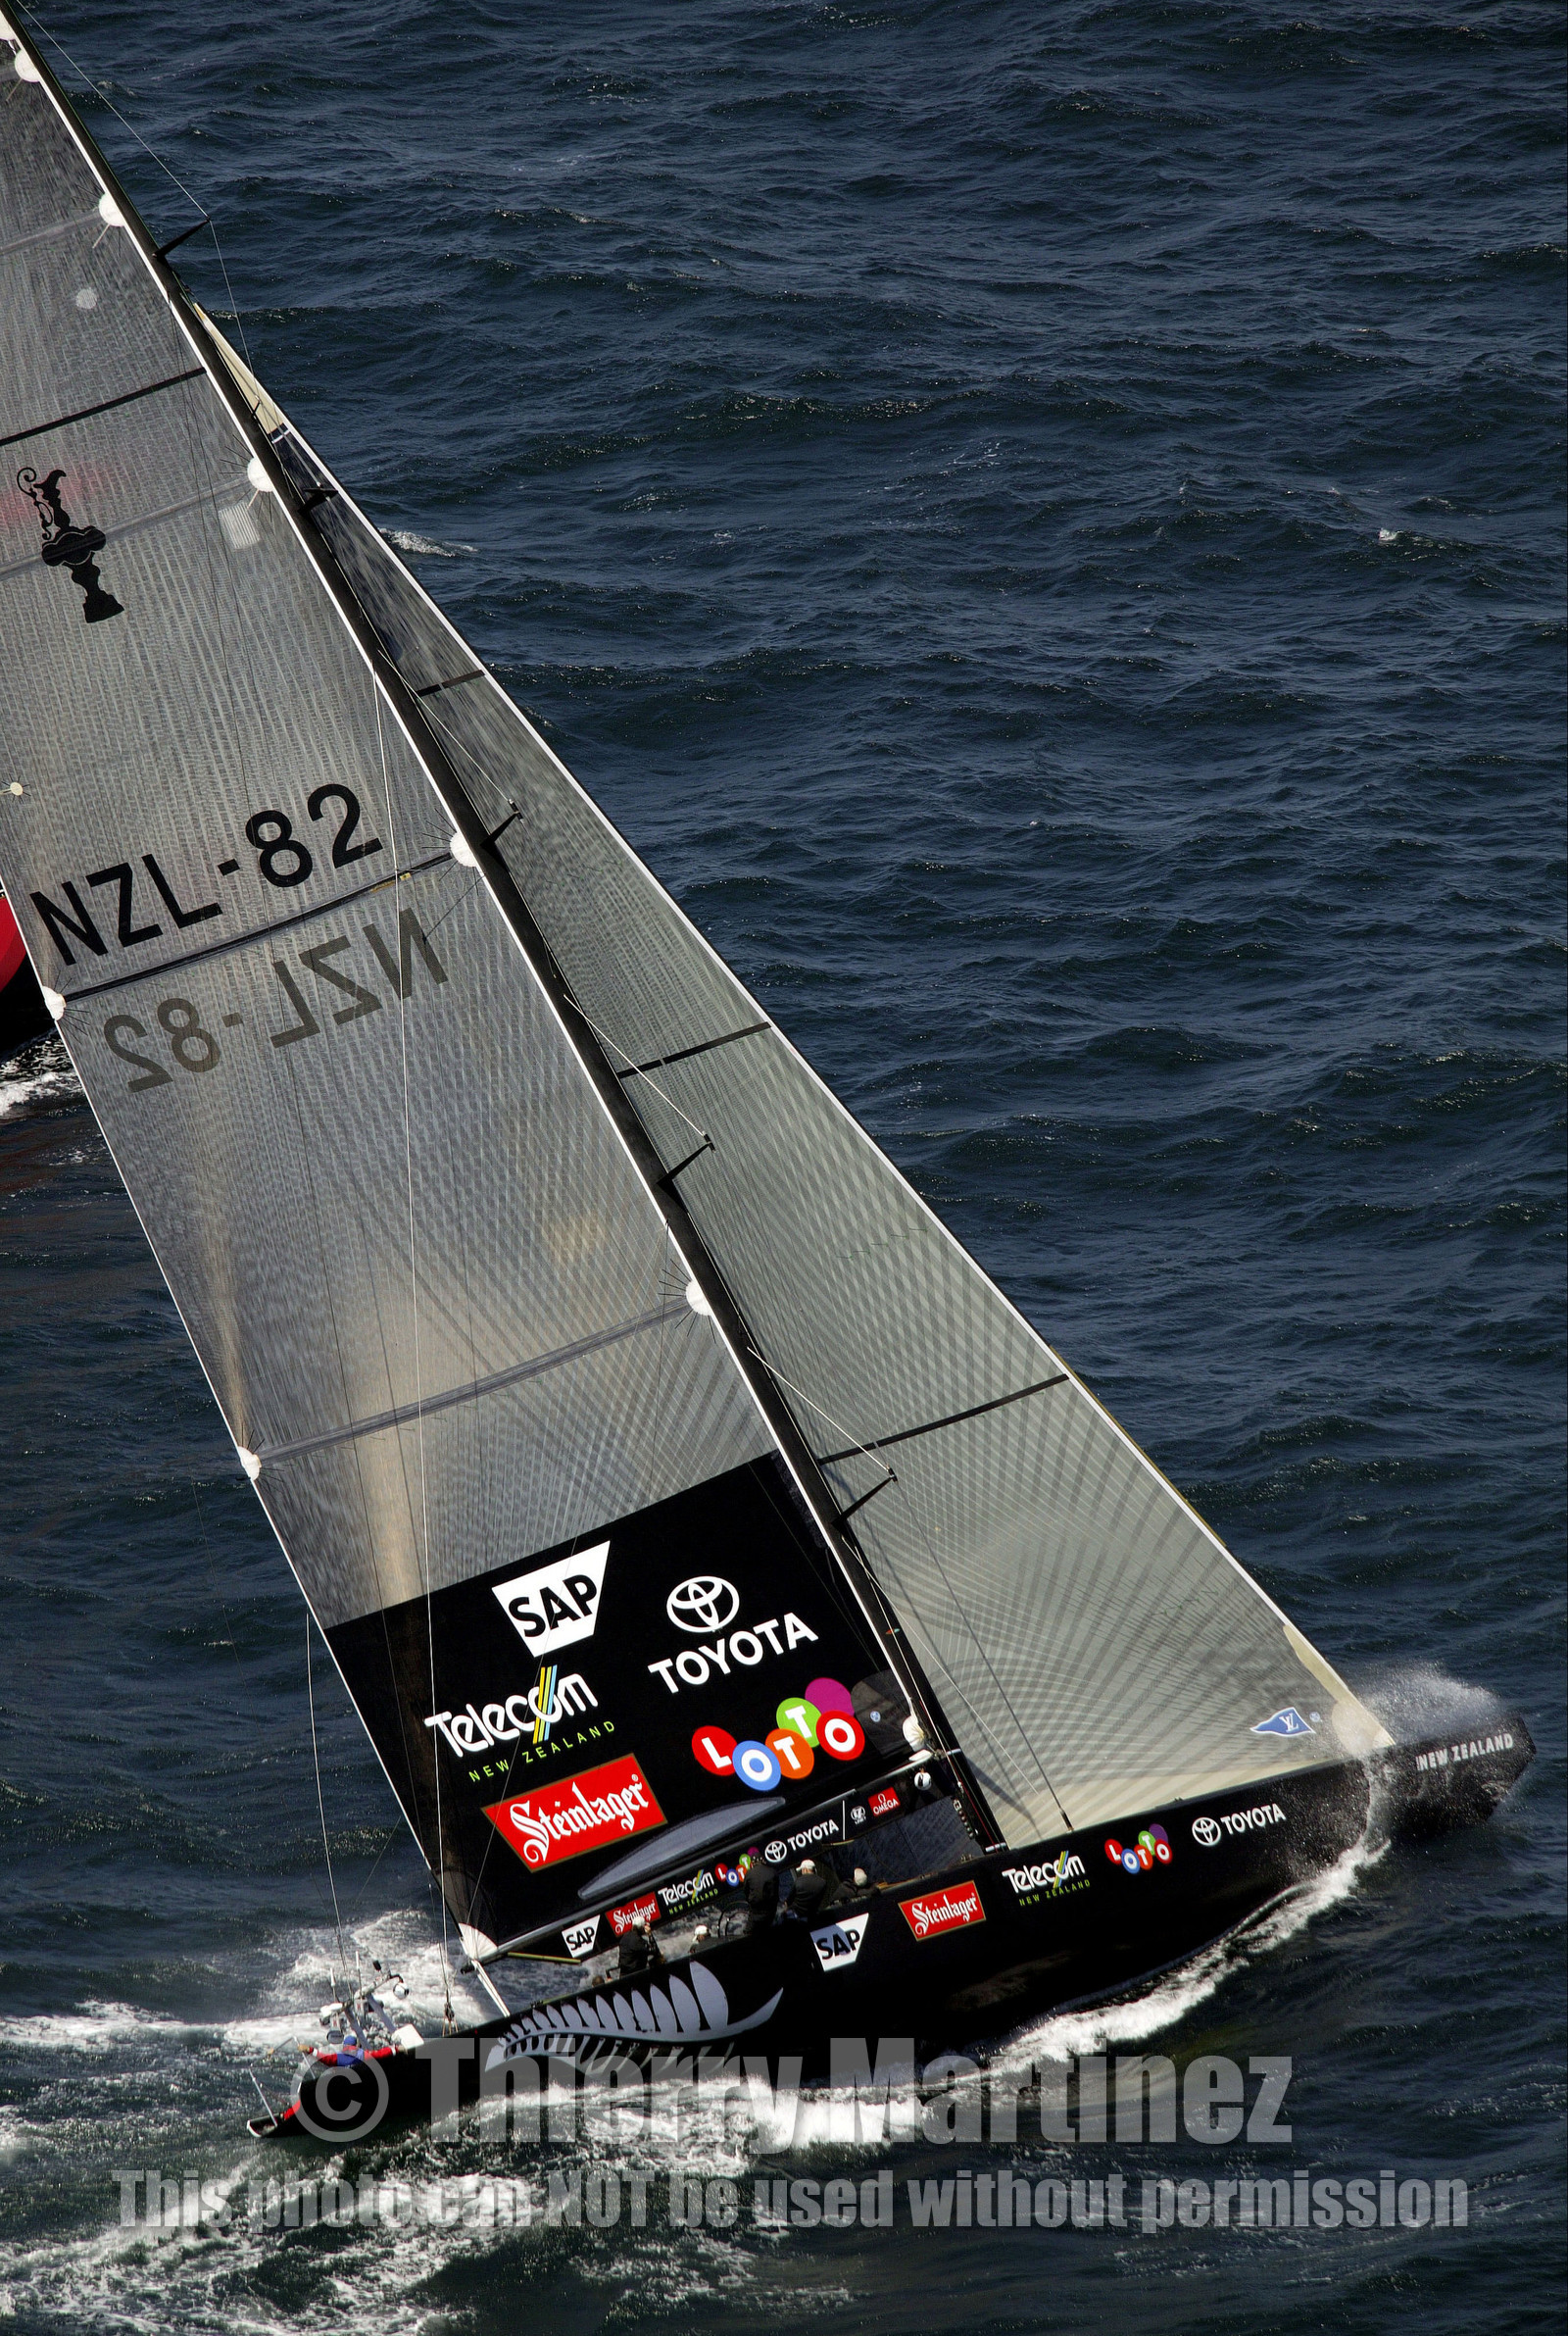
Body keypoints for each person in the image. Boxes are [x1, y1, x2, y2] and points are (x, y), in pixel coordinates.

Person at [788, 1858, 840, 1923]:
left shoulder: (798, 1883)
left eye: (802, 1871)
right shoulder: (823, 1883)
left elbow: (789, 1901)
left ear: (805, 1870)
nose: (801, 1873)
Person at [739, 1851, 779, 1931]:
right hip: (771, 1909)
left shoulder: (749, 1874)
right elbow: (776, 1890)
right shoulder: (773, 1872)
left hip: (756, 1910)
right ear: (763, 1861)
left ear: (752, 1863)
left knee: (749, 1931)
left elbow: (746, 1891)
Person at [617, 1913, 662, 1979]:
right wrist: (650, 1934)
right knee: (659, 1957)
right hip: (636, 1975)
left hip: (623, 1975)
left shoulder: (625, 1936)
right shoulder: (638, 1942)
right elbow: (655, 1950)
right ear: (642, 1928)